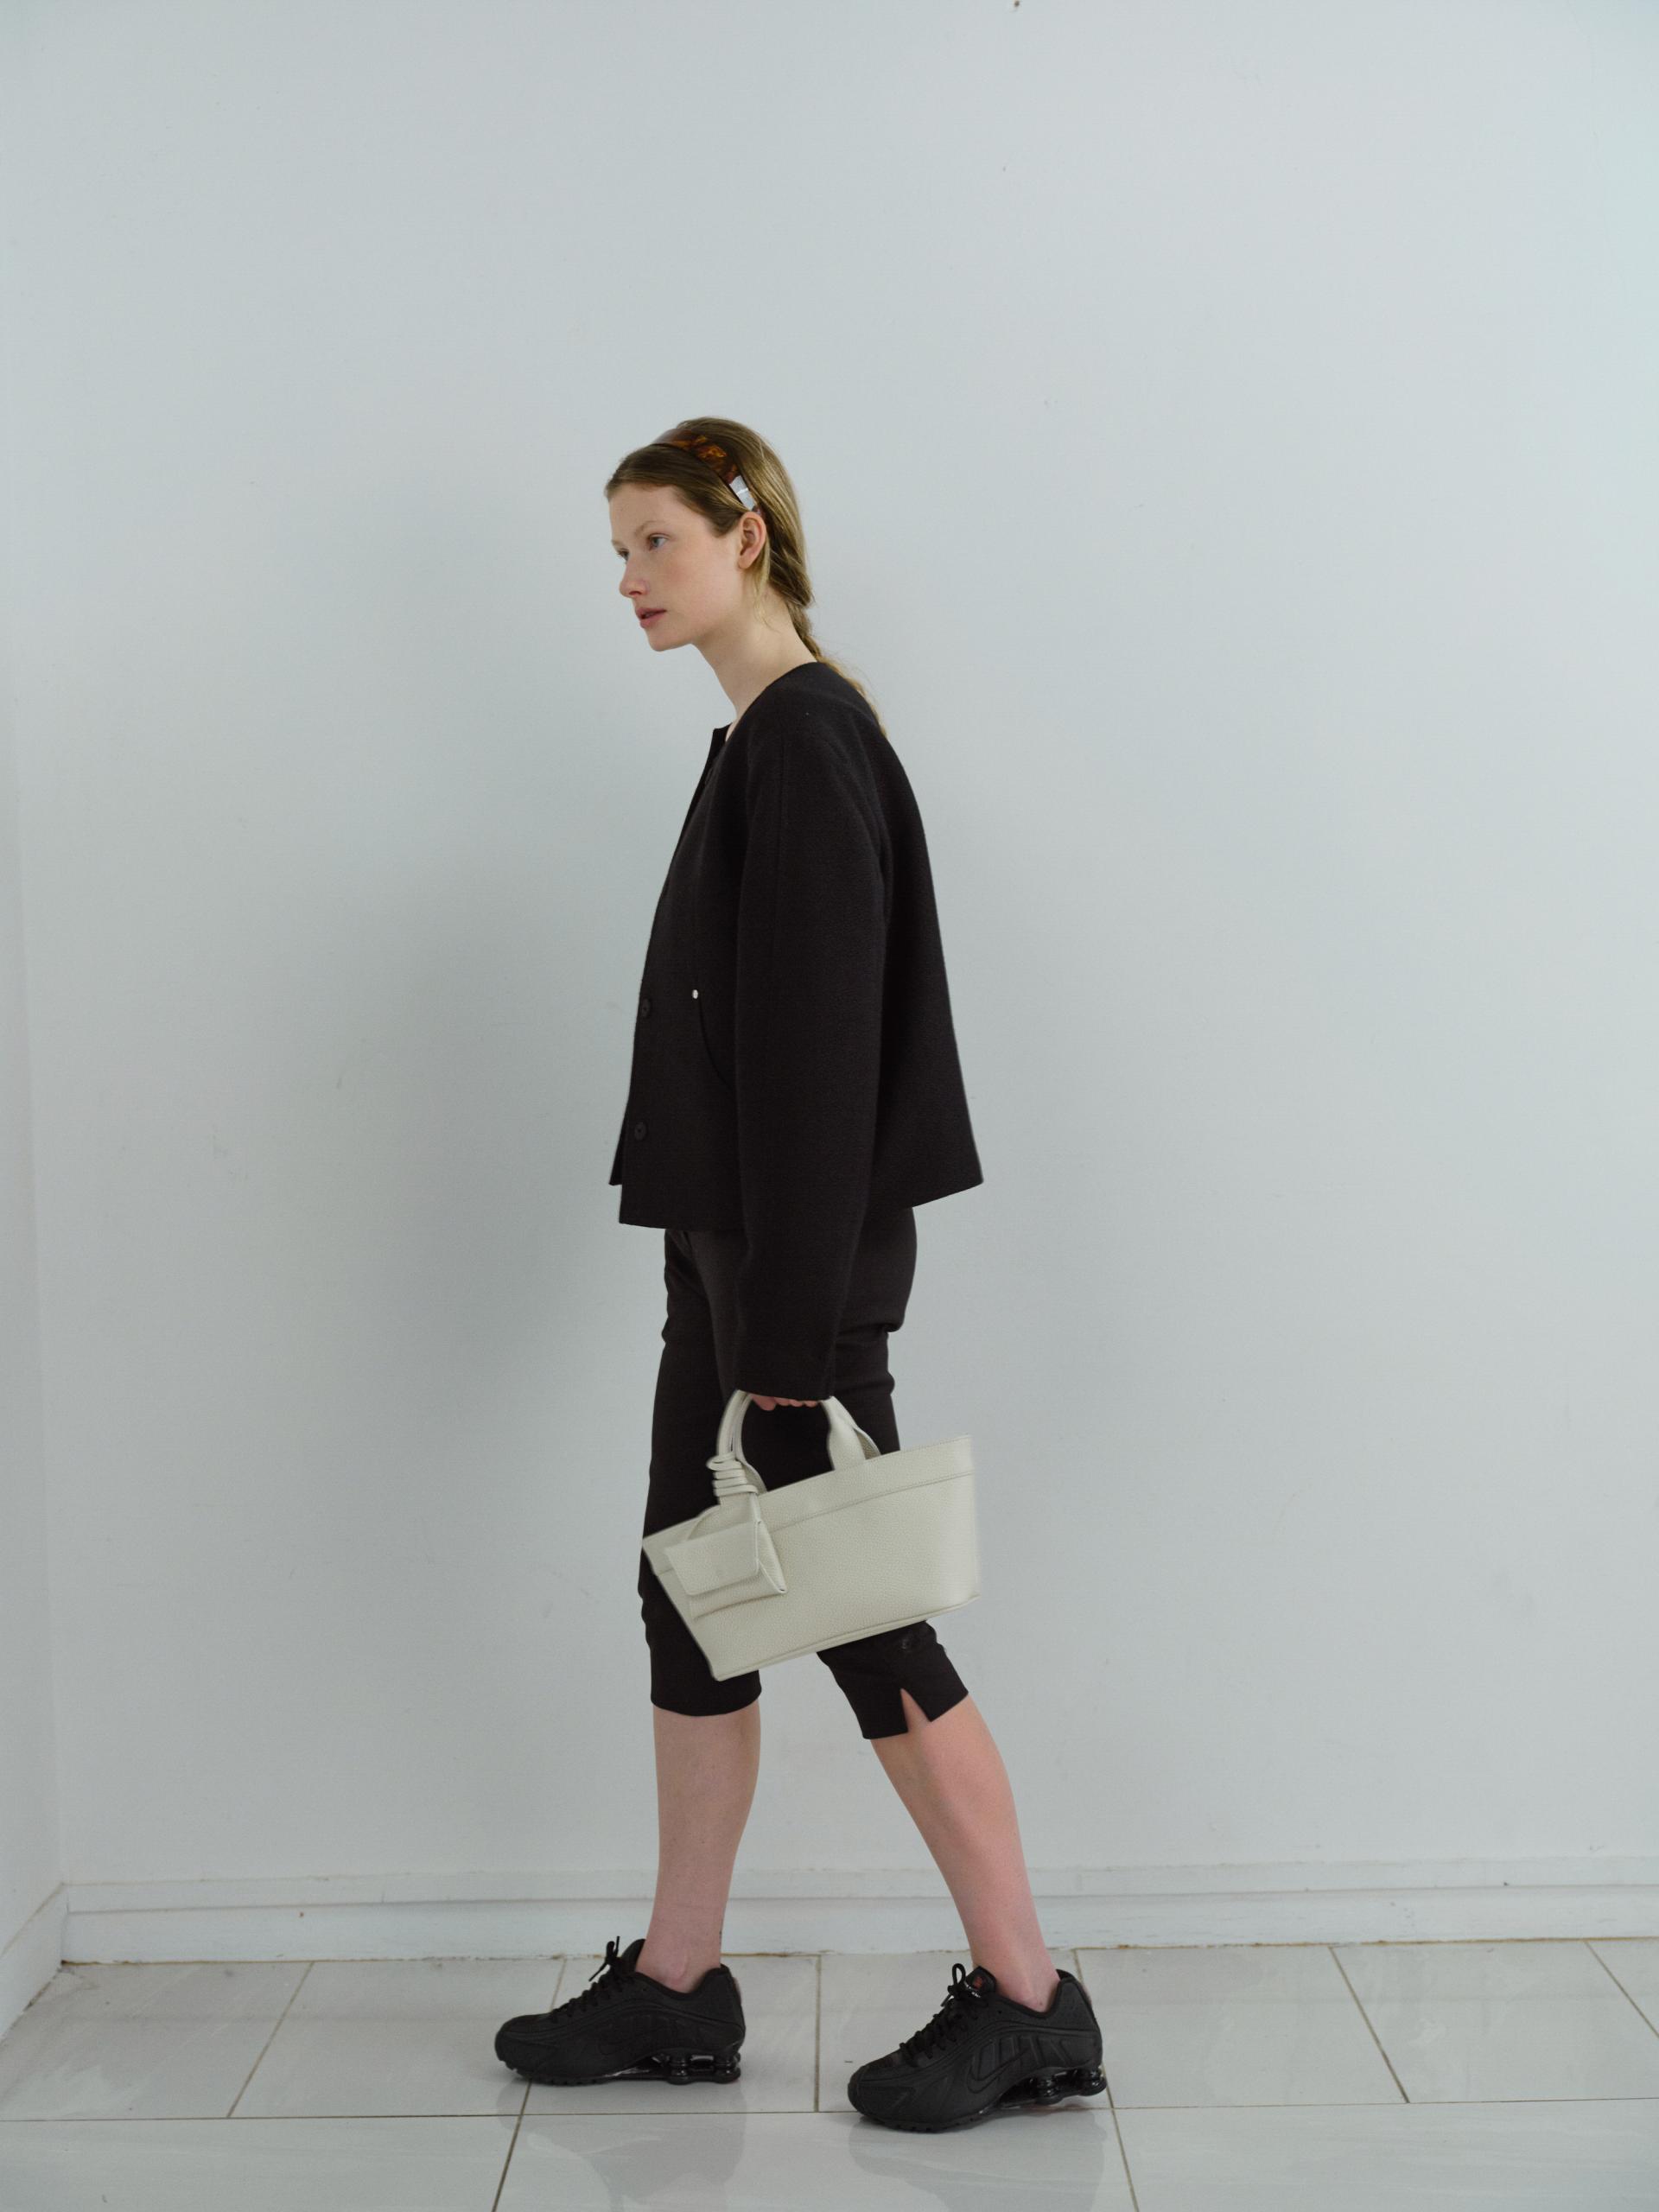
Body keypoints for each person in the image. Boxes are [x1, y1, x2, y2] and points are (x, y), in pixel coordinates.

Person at [494, 418, 1104, 2130]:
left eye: (655, 543)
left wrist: (786, 1344)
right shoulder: (759, 740)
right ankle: (679, 1984)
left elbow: (825, 1064)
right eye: (618, 551)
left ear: (744, 535)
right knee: (691, 1596)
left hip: (793, 1285)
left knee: (863, 1614)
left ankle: (1035, 2003)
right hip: (737, 1264)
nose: (628, 579)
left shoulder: (808, 740)